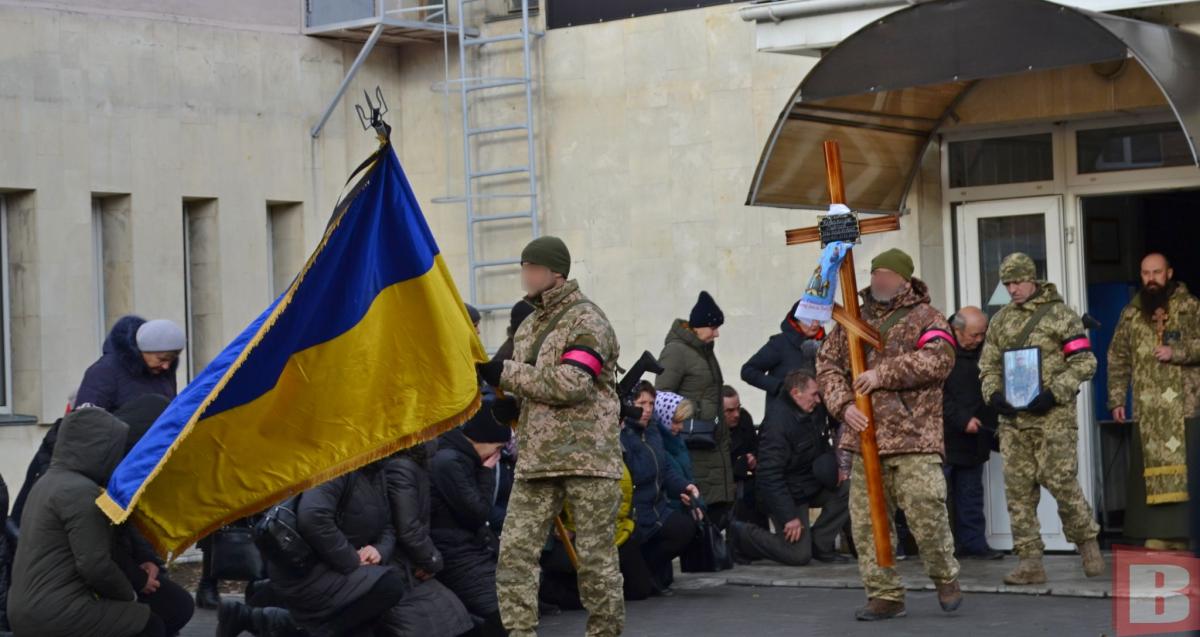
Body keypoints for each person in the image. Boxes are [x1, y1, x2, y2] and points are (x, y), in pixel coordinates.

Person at [475, 236, 624, 637]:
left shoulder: (589, 320)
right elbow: (535, 386)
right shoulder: (527, 327)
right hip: (537, 460)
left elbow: (574, 382)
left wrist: (506, 374)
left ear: (554, 272)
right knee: (515, 555)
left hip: (587, 460)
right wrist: (514, 407)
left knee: (595, 561)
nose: (524, 275)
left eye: (530, 268)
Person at [816, 248, 962, 621]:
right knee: (867, 522)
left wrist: (883, 374)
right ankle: (884, 594)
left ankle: (945, 575)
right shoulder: (853, 318)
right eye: (875, 273)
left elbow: (939, 358)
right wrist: (842, 404)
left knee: (926, 511)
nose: (878, 280)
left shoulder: (926, 317)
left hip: (913, 436)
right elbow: (828, 364)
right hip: (864, 436)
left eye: (886, 274)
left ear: (904, 279)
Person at [981, 252, 1104, 585]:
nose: (1013, 289)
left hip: (1053, 418)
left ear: (1032, 279)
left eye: (1018, 281)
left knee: (1061, 483)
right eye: (1007, 283)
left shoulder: (1061, 316)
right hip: (1014, 423)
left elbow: (1084, 362)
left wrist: (1054, 392)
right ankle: (1029, 561)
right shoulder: (1001, 320)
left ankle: (1087, 545)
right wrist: (993, 395)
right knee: (1019, 494)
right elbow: (988, 366)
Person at [7, 408, 163, 637]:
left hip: (27, 608)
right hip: (55, 613)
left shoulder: (49, 481)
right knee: (150, 624)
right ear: (101, 451)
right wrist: (130, 595)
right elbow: (95, 565)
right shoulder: (82, 492)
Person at [1108, 253, 1199, 551]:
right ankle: (1157, 533)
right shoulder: (1132, 313)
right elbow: (1118, 357)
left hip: (1185, 405)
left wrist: (1178, 352)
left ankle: (1187, 535)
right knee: (1148, 470)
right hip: (1148, 409)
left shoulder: (1190, 306)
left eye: (1157, 272)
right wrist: (1117, 398)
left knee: (1189, 468)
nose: (1151, 279)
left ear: (1169, 273)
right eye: (1146, 273)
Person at [267, 462, 404, 637]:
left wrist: (379, 550)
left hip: (341, 568)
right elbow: (313, 517)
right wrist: (352, 560)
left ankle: (266, 620)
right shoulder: (337, 467)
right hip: (307, 569)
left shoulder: (378, 473)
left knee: (364, 625)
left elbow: (388, 526)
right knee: (389, 586)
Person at [731, 371, 850, 566]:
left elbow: (822, 444)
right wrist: (789, 517)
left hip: (808, 482)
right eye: (813, 394)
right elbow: (769, 476)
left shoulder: (810, 411)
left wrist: (833, 469)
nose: (818, 400)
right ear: (796, 393)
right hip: (787, 493)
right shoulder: (778, 424)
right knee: (798, 555)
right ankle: (743, 534)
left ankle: (820, 543)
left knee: (848, 489)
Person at [111, 396, 195, 636]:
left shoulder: (125, 464)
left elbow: (127, 527)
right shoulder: (102, 477)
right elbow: (97, 550)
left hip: (117, 567)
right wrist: (137, 579)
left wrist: (148, 561)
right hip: (80, 587)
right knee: (157, 620)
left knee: (177, 606)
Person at [429, 409, 512, 637]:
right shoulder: (449, 462)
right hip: (456, 551)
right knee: (501, 614)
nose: (496, 455)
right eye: (496, 448)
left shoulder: (460, 458)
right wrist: (485, 473)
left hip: (467, 547)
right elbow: (477, 511)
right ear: (483, 440)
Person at [657, 291, 735, 527]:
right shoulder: (676, 352)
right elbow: (662, 395)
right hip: (693, 440)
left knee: (717, 508)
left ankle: (715, 555)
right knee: (699, 504)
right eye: (713, 327)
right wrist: (699, 410)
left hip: (712, 442)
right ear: (699, 326)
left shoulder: (704, 352)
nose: (717, 333)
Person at [380, 442, 473, 637]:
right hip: (402, 566)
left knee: (452, 615)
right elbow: (408, 528)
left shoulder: (411, 465)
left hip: (409, 563)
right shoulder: (402, 468)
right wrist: (432, 560)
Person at [539, 464, 654, 607]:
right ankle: (547, 588)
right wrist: (568, 527)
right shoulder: (566, 458)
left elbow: (624, 498)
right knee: (590, 598)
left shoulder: (615, 456)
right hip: (577, 535)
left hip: (616, 531)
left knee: (639, 590)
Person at [623, 383, 702, 592]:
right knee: (638, 591)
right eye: (642, 403)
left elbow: (665, 467)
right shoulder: (622, 434)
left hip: (656, 510)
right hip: (634, 517)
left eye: (651, 403)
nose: (648, 409)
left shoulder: (653, 431)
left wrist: (685, 487)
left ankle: (647, 570)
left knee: (686, 527)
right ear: (629, 404)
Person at [942, 307, 1002, 560]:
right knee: (940, 497)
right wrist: (962, 419)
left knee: (971, 495)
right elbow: (936, 396)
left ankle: (974, 544)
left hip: (976, 436)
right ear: (956, 330)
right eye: (974, 335)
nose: (979, 340)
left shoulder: (985, 352)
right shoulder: (939, 352)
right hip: (945, 436)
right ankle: (944, 549)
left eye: (982, 335)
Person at [76, 316, 184, 412]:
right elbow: (86, 423)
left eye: (172, 359)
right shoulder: (103, 372)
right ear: (143, 349)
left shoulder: (164, 372)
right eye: (161, 359)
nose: (166, 366)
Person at [741, 301, 824, 413]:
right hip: (784, 416)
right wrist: (780, 387)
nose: (815, 324)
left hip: (816, 418)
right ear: (796, 320)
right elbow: (748, 371)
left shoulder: (827, 345)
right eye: (809, 320)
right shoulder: (780, 343)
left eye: (818, 319)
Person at [722, 387, 769, 529]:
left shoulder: (744, 419)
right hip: (725, 485)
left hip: (749, 482)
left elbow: (755, 447)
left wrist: (753, 458)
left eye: (738, 408)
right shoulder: (713, 428)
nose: (736, 414)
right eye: (730, 411)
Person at [649, 389, 696, 511]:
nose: (680, 427)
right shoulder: (658, 446)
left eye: (681, 422)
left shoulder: (677, 441)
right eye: (675, 421)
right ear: (662, 416)